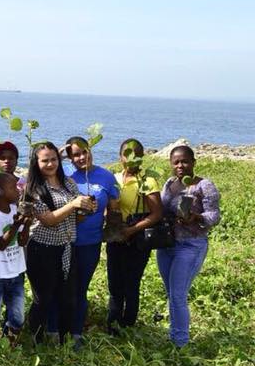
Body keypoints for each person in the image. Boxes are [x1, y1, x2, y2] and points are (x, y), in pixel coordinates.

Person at [24, 142, 93, 347]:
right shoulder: (33, 189)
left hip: (66, 248)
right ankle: (34, 340)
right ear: (36, 163)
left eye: (53, 159)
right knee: (43, 299)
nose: (50, 163)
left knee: (67, 298)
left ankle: (63, 340)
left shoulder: (68, 183)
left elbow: (74, 219)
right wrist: (73, 204)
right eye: (44, 160)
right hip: (42, 249)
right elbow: (48, 220)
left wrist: (85, 209)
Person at [158, 145, 221, 347]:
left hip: (191, 246)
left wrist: (197, 217)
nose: (180, 166)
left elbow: (214, 216)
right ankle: (174, 335)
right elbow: (160, 207)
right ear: (171, 164)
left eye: (185, 161)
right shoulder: (169, 184)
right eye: (176, 162)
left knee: (178, 296)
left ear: (193, 162)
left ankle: (180, 344)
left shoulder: (204, 185)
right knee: (172, 294)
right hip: (167, 245)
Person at [62, 137, 119, 343]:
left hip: (90, 243)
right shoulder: (63, 174)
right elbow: (40, 169)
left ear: (90, 150)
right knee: (62, 286)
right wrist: (61, 154)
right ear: (69, 157)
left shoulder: (106, 176)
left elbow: (114, 209)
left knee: (80, 288)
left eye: (84, 152)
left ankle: (76, 333)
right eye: (75, 154)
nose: (81, 157)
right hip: (63, 241)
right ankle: (58, 330)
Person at [106, 139, 162, 333]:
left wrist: (131, 230)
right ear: (120, 156)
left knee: (131, 283)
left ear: (142, 156)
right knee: (114, 282)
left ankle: (127, 325)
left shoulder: (147, 181)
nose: (131, 159)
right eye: (126, 154)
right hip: (115, 236)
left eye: (136, 154)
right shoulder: (114, 178)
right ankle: (112, 324)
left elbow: (157, 214)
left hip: (136, 239)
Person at [0, 172, 31, 337]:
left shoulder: (15, 209)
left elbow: (22, 242)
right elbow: (1, 244)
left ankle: (10, 345)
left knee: (17, 316)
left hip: (16, 271)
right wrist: (16, 225)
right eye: (12, 187)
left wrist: (27, 224)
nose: (18, 190)